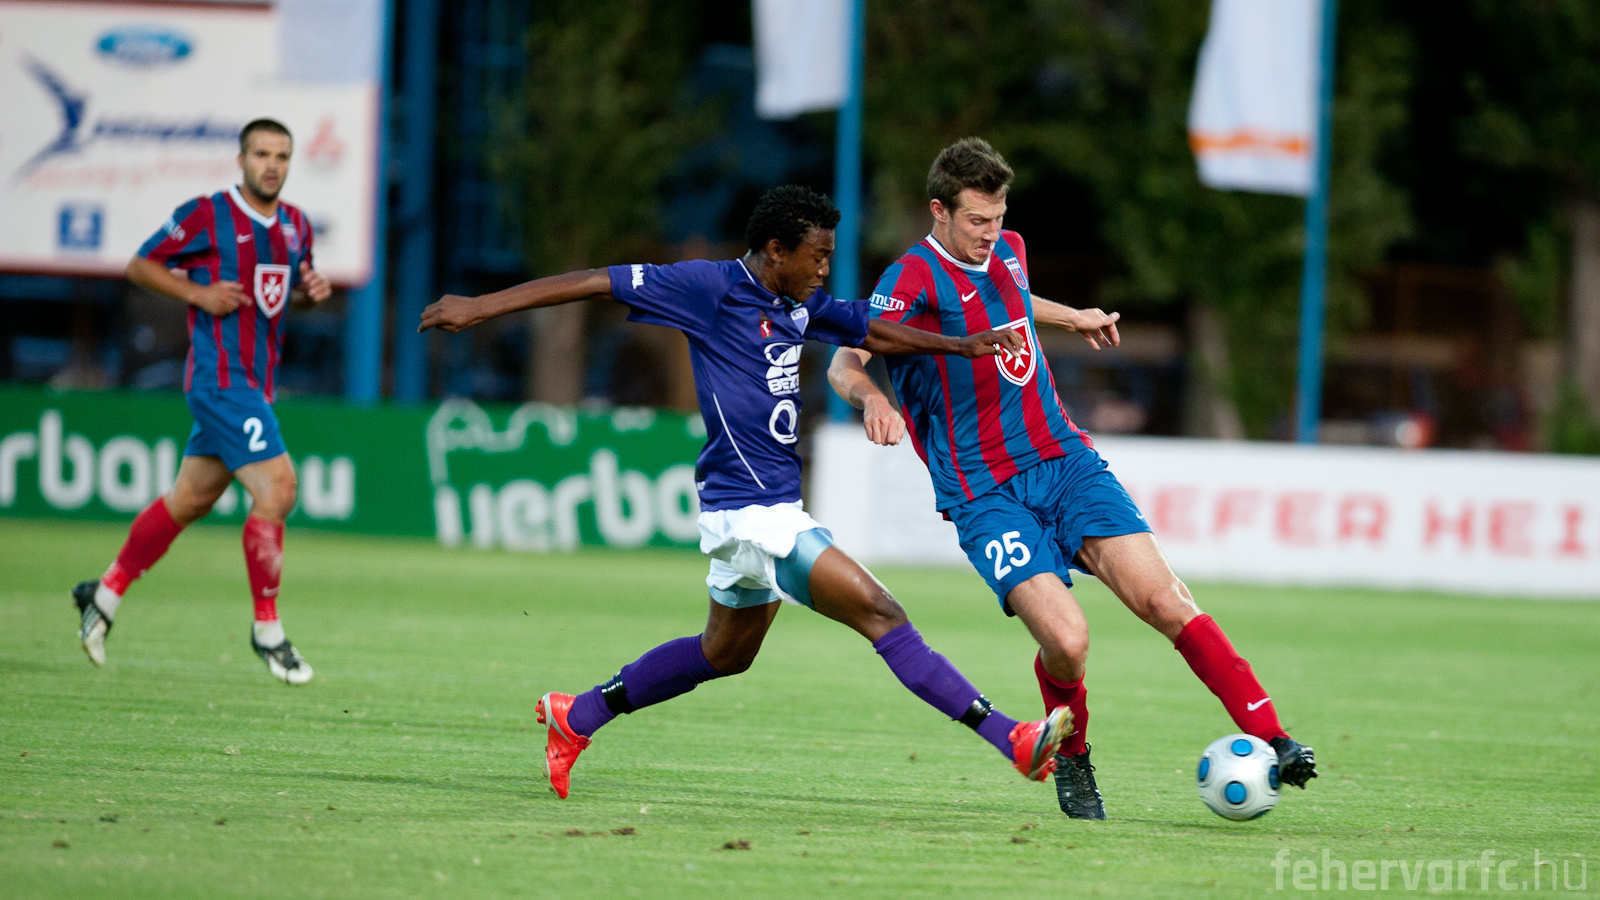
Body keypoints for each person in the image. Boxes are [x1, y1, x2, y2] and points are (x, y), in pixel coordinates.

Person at [419, 185, 1071, 798]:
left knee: (724, 653)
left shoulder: (799, 303)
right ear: (776, 250)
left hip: (764, 511)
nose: (824, 270)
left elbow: (870, 330)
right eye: (817, 257)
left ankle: (578, 714)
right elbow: (596, 280)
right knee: (881, 612)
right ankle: (1009, 738)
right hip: (752, 515)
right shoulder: (707, 288)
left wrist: (957, 345)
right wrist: (479, 308)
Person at [828, 138, 1317, 820]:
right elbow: (846, 358)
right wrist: (873, 399)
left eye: (998, 218)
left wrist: (1072, 316)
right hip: (984, 492)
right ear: (939, 211)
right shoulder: (909, 279)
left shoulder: (1008, 249)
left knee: (1166, 600)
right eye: (975, 220)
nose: (989, 233)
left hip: (1063, 461)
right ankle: (1074, 756)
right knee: (1067, 641)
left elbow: (1011, 298)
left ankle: (1274, 736)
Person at [73, 118, 331, 685]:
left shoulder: (296, 226)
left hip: (255, 384)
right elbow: (140, 264)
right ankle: (268, 632)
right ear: (241, 160)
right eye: (261, 154)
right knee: (279, 488)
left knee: (189, 500)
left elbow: (286, 296)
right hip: (220, 379)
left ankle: (104, 594)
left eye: (282, 156)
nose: (272, 165)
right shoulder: (207, 214)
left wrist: (312, 294)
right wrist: (198, 293)